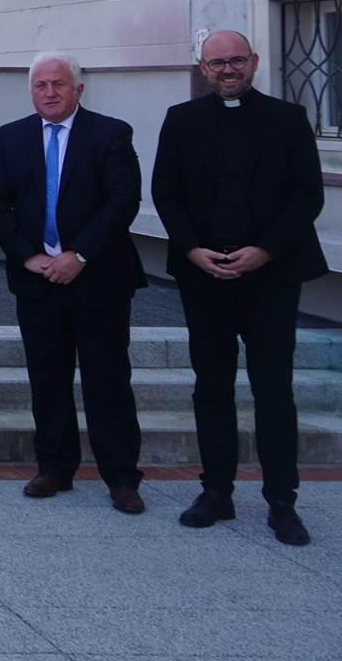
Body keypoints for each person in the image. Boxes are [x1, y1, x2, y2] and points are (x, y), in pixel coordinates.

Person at [152, 30, 327, 546]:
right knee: (211, 386)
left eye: (236, 61)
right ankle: (217, 491)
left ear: (253, 62)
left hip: (270, 274)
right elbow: (165, 191)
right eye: (216, 63)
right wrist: (191, 250)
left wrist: (265, 250)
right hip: (204, 274)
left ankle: (281, 501)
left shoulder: (287, 118)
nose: (227, 70)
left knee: (274, 388)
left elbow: (307, 196)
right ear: (202, 68)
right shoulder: (181, 121)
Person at [0, 52, 146, 514]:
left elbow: (122, 201)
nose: (50, 93)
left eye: (58, 84)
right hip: (37, 281)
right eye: (41, 86)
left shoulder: (110, 133)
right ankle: (54, 468)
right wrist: (29, 256)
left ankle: (121, 477)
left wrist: (79, 255)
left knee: (108, 380)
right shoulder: (12, 137)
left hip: (99, 279)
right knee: (47, 378)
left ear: (78, 88)